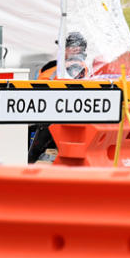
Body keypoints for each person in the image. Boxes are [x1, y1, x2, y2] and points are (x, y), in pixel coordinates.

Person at [29, 32, 90, 162]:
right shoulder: (55, 65)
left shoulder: (74, 67)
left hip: (55, 112)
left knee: (35, 152)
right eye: (68, 47)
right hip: (45, 109)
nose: (73, 50)